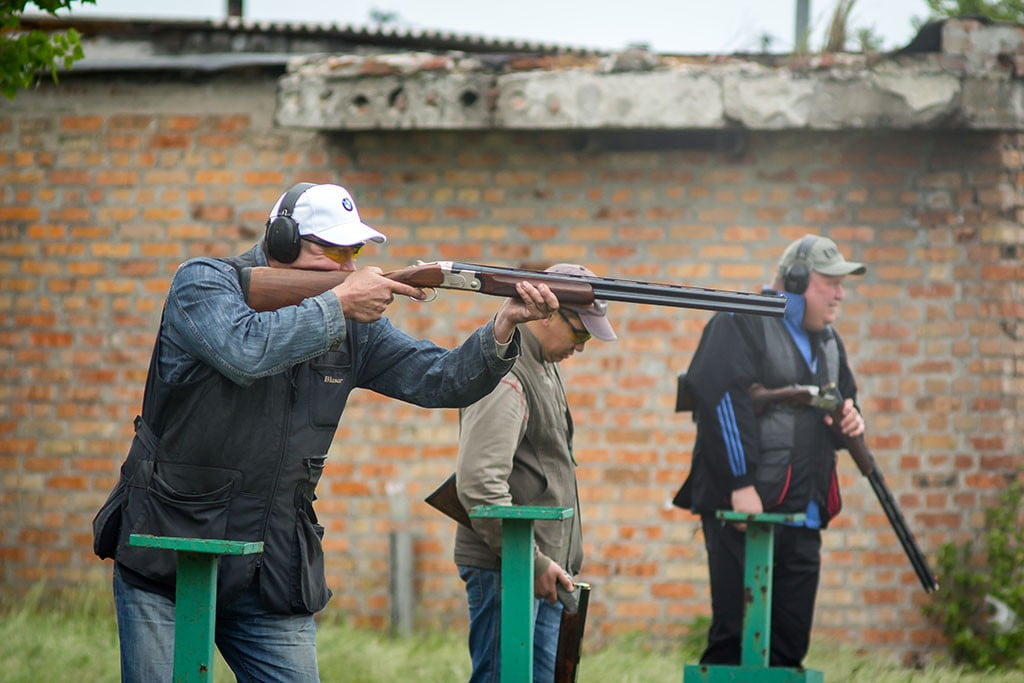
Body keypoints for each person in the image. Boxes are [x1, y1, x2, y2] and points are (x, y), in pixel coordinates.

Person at [91, 182, 560, 682]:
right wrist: (337, 305)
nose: (347, 266)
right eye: (332, 249)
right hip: (170, 548)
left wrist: (504, 326)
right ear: (283, 239)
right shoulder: (204, 283)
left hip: (272, 562)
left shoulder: (350, 318)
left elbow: (439, 379)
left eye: (353, 251)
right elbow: (243, 351)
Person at [675, 234, 867, 668]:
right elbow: (719, 399)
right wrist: (741, 485)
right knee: (733, 641)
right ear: (797, 280)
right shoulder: (740, 321)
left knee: (789, 648)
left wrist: (852, 419)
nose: (840, 293)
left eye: (842, 283)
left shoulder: (829, 343)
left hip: (805, 512)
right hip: (744, 510)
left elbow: (843, 404)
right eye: (830, 282)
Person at [453, 263, 617, 683]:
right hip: (510, 569)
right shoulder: (507, 370)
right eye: (580, 332)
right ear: (547, 312)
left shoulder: (542, 364)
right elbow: (479, 484)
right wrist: (535, 561)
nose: (582, 346)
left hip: (536, 571)